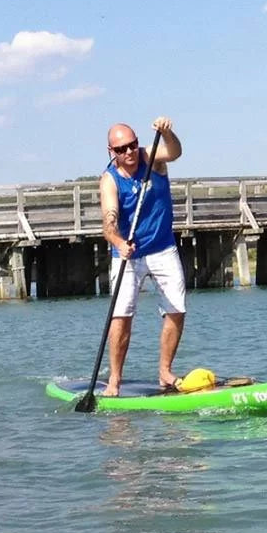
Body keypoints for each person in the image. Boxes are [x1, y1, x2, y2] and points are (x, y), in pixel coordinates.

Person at [99, 116, 185, 396]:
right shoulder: (110, 180)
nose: (130, 152)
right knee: (121, 316)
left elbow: (174, 152)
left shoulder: (151, 158)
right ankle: (114, 379)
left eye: (133, 145)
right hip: (128, 254)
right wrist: (119, 241)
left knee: (176, 309)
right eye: (122, 149)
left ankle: (164, 371)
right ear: (112, 152)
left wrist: (167, 133)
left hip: (162, 247)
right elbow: (109, 222)